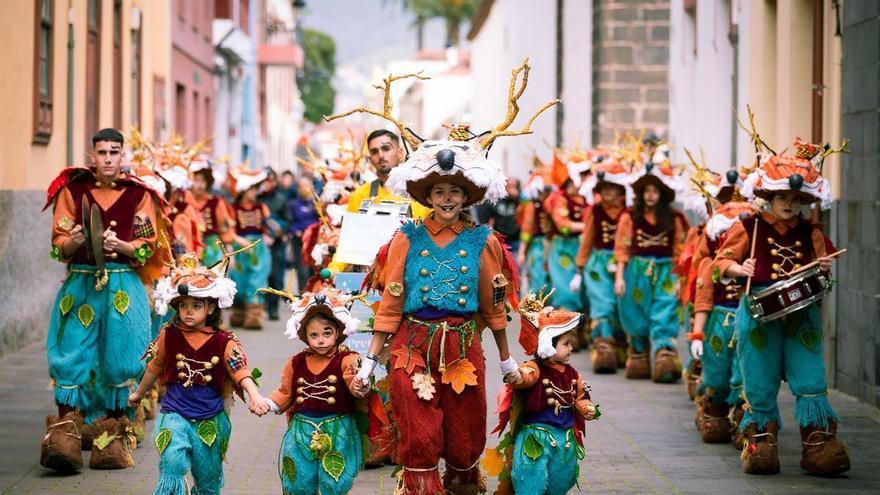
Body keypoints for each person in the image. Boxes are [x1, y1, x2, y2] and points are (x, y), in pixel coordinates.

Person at [355, 127, 525, 494]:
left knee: (465, 434)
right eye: (439, 192)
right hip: (412, 346)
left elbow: (496, 308)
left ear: (465, 196)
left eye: (454, 192)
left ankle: (462, 483)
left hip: (463, 346)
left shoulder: (484, 240)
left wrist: (507, 359)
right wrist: (369, 360)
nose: (446, 199)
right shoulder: (406, 237)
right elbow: (390, 303)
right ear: (428, 196)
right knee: (418, 432)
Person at [713, 138, 849, 475]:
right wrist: (737, 269)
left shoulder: (810, 231)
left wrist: (824, 269)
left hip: (802, 315)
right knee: (758, 379)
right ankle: (760, 442)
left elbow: (824, 266)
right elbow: (720, 263)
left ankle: (819, 443)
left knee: (810, 376)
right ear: (770, 197)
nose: (788, 204)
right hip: (759, 313)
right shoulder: (748, 226)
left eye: (795, 199)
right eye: (782, 197)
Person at [41, 128, 163, 471]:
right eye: (102, 152)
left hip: (123, 284)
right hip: (80, 282)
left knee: (122, 357)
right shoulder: (71, 190)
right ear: (91, 156)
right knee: (70, 351)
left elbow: (145, 245)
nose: (108, 158)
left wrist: (120, 247)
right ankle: (66, 430)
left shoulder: (139, 195)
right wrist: (76, 241)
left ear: (123, 156)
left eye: (114, 152)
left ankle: (111, 432)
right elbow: (58, 245)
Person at [129, 252, 264, 494]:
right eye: (183, 306)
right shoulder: (167, 335)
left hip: (211, 417)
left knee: (207, 478)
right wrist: (138, 394)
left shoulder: (225, 342)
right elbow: (154, 367)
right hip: (174, 413)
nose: (188, 312)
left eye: (196, 306)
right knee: (172, 461)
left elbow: (240, 372)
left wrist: (255, 396)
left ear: (211, 306)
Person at [258, 288, 372, 495]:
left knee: (334, 481)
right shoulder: (295, 362)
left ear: (338, 332)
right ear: (304, 336)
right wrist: (267, 403)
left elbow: (356, 385)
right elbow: (285, 392)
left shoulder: (347, 360)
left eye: (326, 333)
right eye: (314, 335)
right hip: (301, 430)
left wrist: (361, 385)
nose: (321, 340)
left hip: (337, 429)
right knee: (298, 480)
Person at [491, 293, 598, 495]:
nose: (571, 348)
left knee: (562, 479)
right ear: (549, 344)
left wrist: (588, 409)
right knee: (531, 481)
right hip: (536, 438)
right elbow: (524, 377)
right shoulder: (536, 368)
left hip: (564, 439)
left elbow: (580, 399)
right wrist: (515, 373)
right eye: (566, 344)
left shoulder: (574, 374)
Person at [614, 162, 688, 383]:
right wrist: (619, 277)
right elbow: (622, 248)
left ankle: (664, 352)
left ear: (662, 194)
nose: (650, 195)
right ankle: (638, 352)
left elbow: (681, 251)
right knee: (635, 309)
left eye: (655, 191)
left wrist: (680, 279)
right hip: (637, 269)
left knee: (665, 309)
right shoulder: (629, 217)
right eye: (646, 191)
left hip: (667, 270)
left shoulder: (674, 218)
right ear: (640, 193)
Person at [688, 201, 755, 444]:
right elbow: (703, 299)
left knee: (743, 374)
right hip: (718, 322)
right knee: (716, 374)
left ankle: (741, 419)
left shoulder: (755, 261)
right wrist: (697, 335)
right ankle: (713, 411)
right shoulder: (709, 264)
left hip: (747, 319)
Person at [573, 158, 630, 373]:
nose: (607, 192)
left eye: (611, 188)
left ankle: (623, 345)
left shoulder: (630, 211)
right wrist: (579, 270)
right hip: (598, 263)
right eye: (603, 188)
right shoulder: (594, 211)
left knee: (621, 306)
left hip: (624, 264)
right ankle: (603, 346)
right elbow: (587, 240)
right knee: (602, 304)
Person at [344, 129, 430, 219]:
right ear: (370, 159)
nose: (380, 155)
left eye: (386, 148)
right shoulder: (359, 196)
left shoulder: (421, 194)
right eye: (374, 152)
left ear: (400, 153)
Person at [543, 157, 590, 312]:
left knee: (585, 287)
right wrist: (588, 227)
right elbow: (563, 225)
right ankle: (567, 329)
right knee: (566, 285)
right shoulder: (559, 198)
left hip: (583, 246)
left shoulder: (585, 197)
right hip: (563, 246)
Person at [228, 167, 273, 329]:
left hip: (258, 248)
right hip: (240, 247)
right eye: (252, 189)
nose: (255, 192)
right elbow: (228, 230)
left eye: (256, 189)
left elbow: (269, 225)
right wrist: (236, 241)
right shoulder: (232, 208)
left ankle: (254, 315)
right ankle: (239, 313)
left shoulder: (261, 206)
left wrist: (271, 233)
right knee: (238, 280)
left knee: (257, 279)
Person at [517, 157, 555, 294]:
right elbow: (527, 228)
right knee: (538, 278)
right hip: (537, 245)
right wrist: (522, 252)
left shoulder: (555, 203)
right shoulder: (532, 206)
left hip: (555, 245)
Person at [259, 169, 293, 320]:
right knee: (259, 275)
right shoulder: (257, 198)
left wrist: (276, 233)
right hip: (258, 242)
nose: (268, 183)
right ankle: (259, 307)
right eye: (265, 180)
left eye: (271, 180)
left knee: (275, 276)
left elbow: (287, 220)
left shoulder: (281, 198)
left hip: (276, 243)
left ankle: (273, 308)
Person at [191, 163, 235, 267]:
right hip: (190, 248)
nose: (200, 185)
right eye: (196, 180)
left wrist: (229, 252)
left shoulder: (216, 202)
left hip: (212, 248)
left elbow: (224, 228)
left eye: (203, 181)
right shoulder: (184, 203)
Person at [288, 176, 319, 292]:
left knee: (315, 271)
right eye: (302, 186)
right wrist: (295, 231)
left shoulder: (316, 204)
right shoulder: (293, 204)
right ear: (298, 189)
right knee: (302, 271)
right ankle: (303, 296)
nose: (305, 189)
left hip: (315, 241)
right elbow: (289, 222)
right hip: (299, 241)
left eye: (307, 186)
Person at [484, 178, 522, 252]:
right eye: (509, 186)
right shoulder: (497, 199)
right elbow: (486, 218)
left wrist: (517, 198)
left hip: (516, 240)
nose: (511, 189)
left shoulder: (520, 201)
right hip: (500, 239)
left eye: (513, 186)